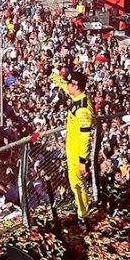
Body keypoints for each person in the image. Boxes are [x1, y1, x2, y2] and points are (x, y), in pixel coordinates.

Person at [50, 69, 94, 221]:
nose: (67, 86)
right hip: (71, 148)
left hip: (77, 153)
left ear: (76, 86)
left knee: (77, 184)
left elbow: (85, 138)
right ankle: (81, 208)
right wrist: (52, 75)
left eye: (70, 84)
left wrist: (82, 161)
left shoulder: (83, 110)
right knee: (75, 183)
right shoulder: (78, 96)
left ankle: (83, 214)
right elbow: (64, 85)